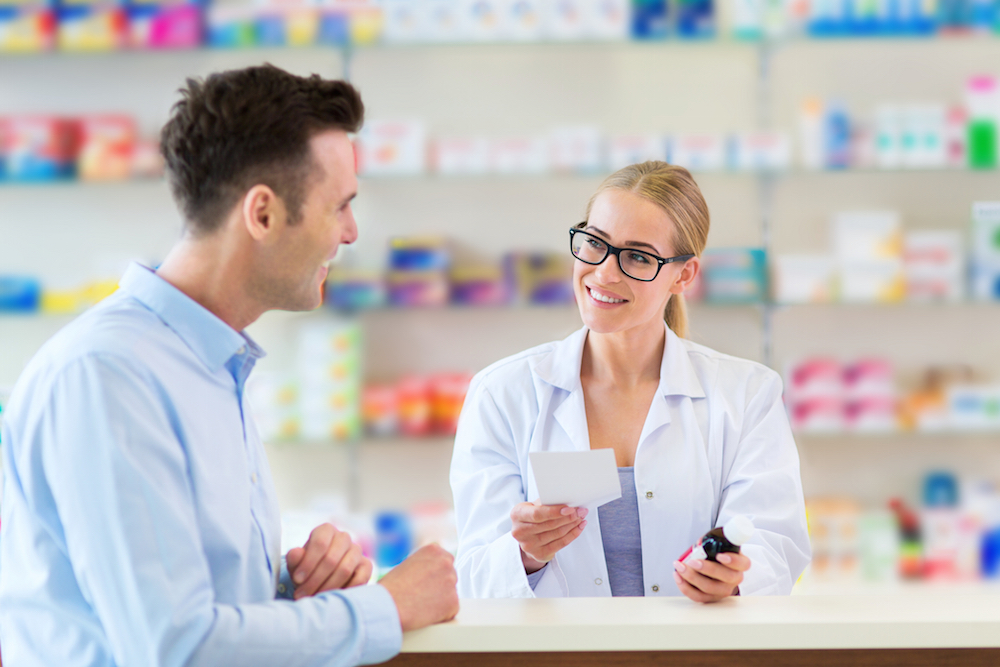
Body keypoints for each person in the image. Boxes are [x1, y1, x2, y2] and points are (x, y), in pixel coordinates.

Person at [0, 65, 458, 667]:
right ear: (262, 214)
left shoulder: (211, 364)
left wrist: (295, 595)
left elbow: (188, 610)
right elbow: (174, 647)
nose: (349, 233)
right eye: (340, 205)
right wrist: (387, 608)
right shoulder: (108, 375)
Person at [450, 161, 810, 601]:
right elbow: (472, 575)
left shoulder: (748, 394)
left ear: (684, 275)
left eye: (638, 256)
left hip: (694, 656)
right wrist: (525, 556)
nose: (603, 272)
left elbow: (777, 545)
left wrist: (736, 579)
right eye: (594, 243)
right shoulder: (502, 394)